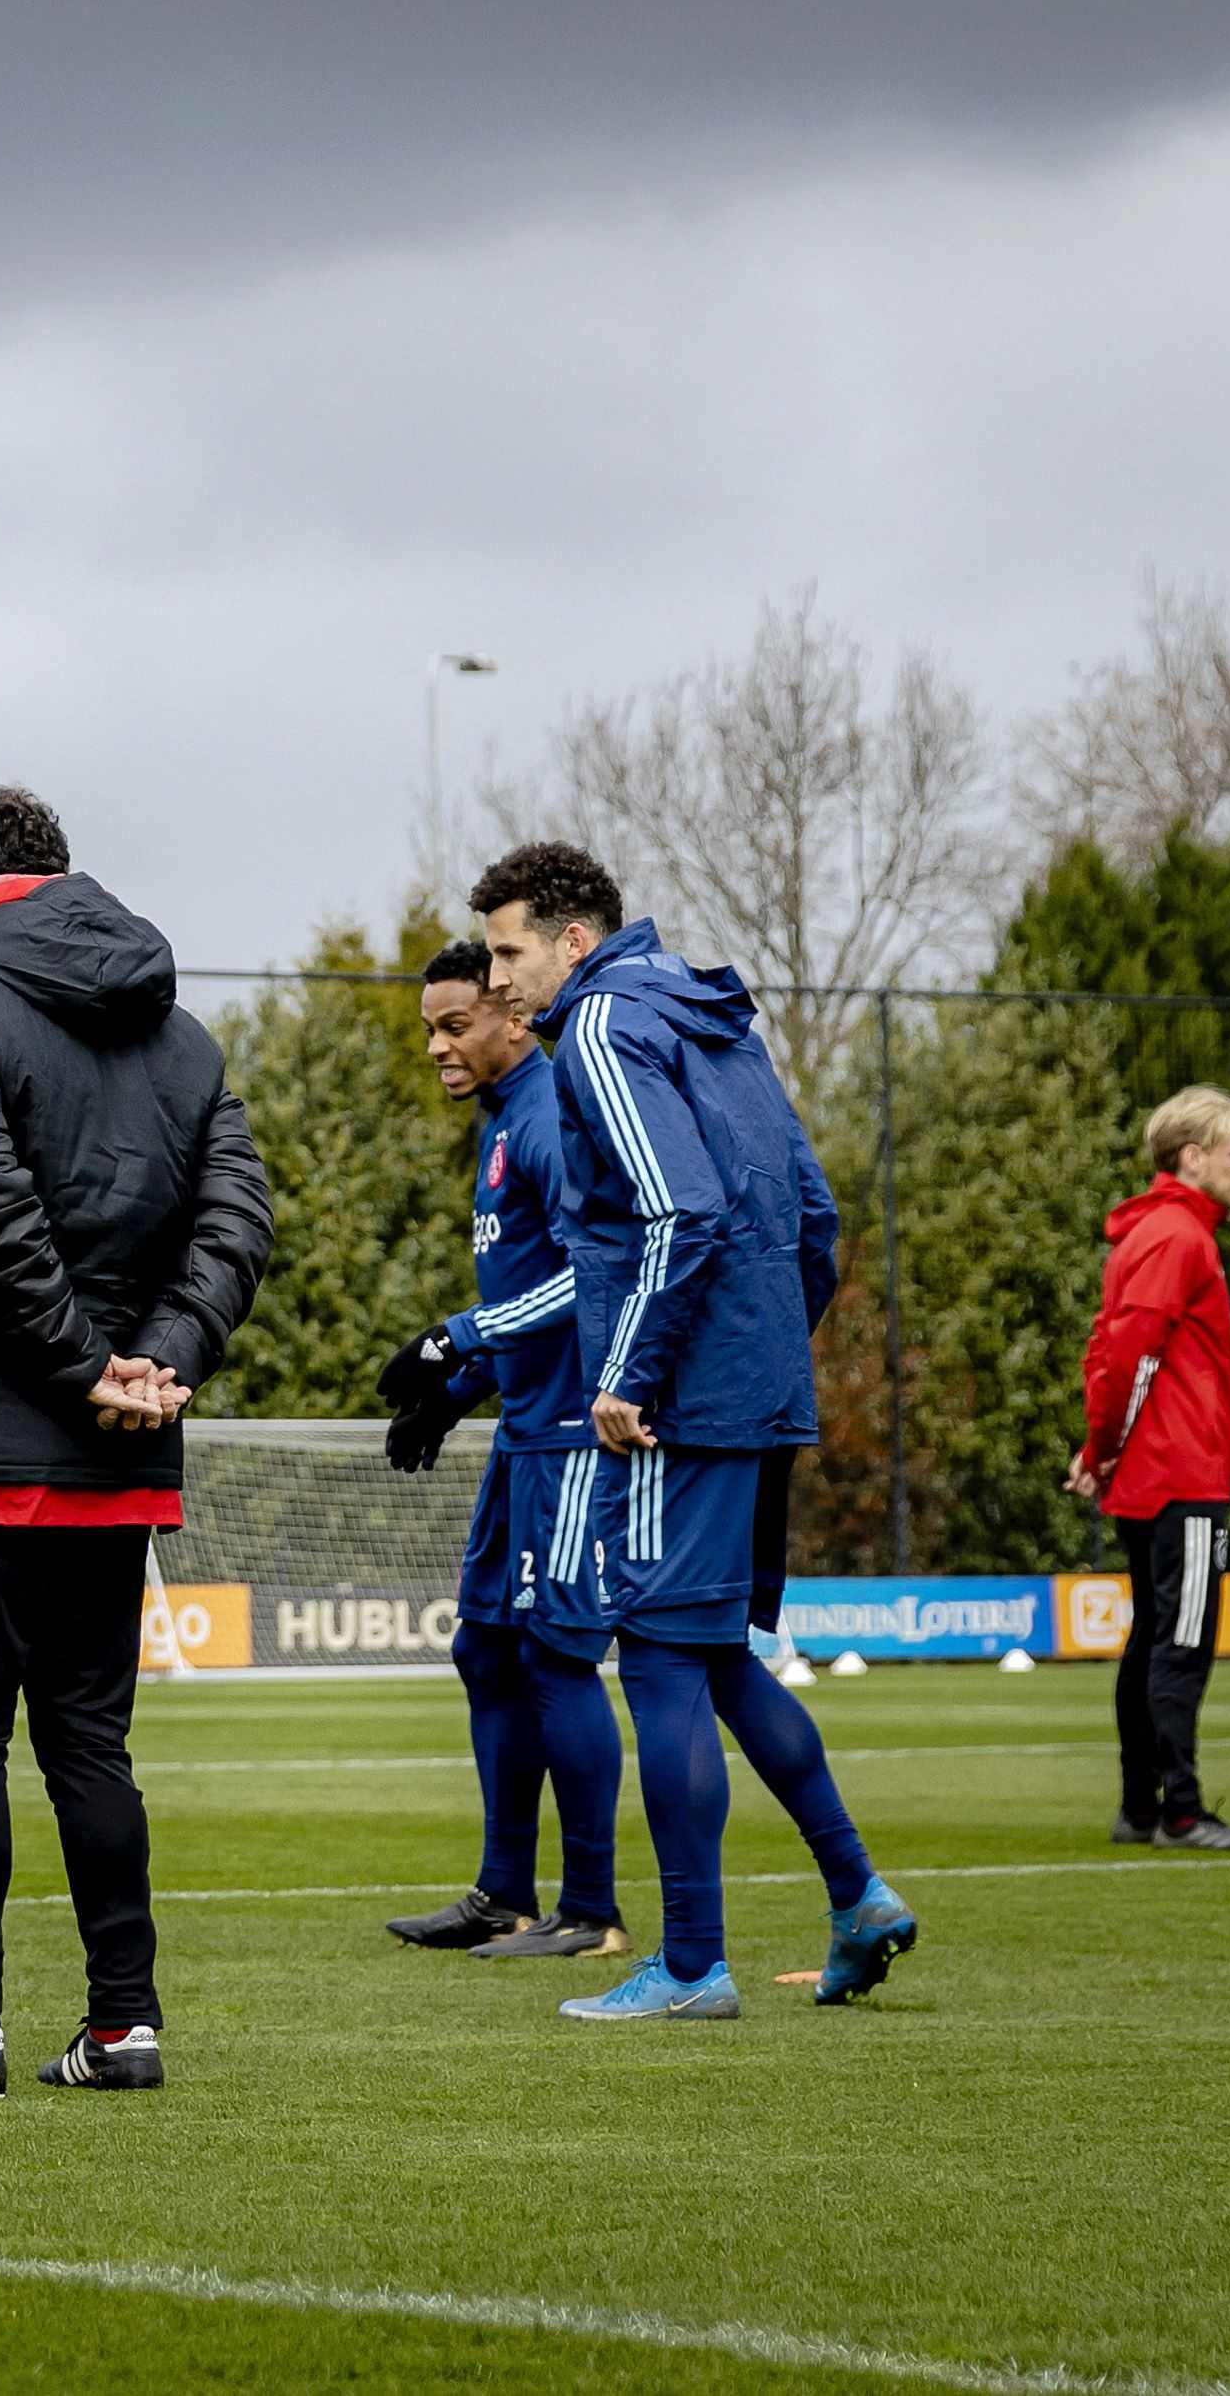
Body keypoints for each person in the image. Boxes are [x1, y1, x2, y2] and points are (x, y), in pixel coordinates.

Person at [0, 785, 271, 2098]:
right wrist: (156, 1363)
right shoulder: (180, 1030)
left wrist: (86, 1364)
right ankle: (123, 2024)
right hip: (116, 1445)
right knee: (92, 1744)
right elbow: (237, 1216)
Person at [471, 839, 918, 2026]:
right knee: (717, 1656)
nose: (497, 974)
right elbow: (812, 1212)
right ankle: (857, 1893)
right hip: (749, 1387)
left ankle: (689, 1963)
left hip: (675, 1399)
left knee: (662, 1660)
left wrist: (632, 1372)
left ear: (573, 938)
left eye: (508, 949)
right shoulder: (709, 1014)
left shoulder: (602, 1022)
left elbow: (679, 1206)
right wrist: (763, 1354)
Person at [376, 938, 628, 1963]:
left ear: (513, 1016)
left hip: (570, 1434)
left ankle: (593, 1910)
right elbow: (526, 1294)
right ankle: (504, 1893)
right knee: (484, 1647)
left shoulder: (548, 1113)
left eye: (455, 1024)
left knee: (554, 1655)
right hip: (522, 1428)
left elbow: (593, 1270)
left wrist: (456, 1337)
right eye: (429, 1028)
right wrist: (455, 1393)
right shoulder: (498, 1123)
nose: (438, 1045)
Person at [1069, 1087, 1230, 1850]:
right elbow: (1131, 1355)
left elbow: (1109, 1348)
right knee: (1181, 1641)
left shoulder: (1150, 1233)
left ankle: (1141, 1806)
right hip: (1180, 1473)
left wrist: (1101, 1449)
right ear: (1192, 1156)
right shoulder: (1179, 1237)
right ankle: (1181, 1812)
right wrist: (1103, 1450)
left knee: (1153, 1637)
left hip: (1152, 1470)